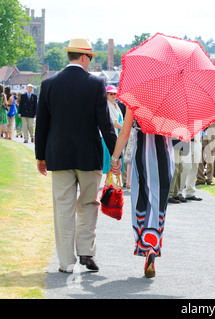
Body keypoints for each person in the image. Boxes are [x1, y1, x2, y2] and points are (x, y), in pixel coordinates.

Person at [35, 38, 118, 274]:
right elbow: (105, 125)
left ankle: (66, 262)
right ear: (84, 57)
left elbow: (42, 124)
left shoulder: (49, 84)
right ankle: (86, 252)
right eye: (90, 58)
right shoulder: (96, 84)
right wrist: (115, 155)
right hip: (88, 155)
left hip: (58, 155)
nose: (90, 63)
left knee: (63, 208)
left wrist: (40, 156)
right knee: (89, 204)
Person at [110, 109, 174, 279]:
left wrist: (115, 157)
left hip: (142, 155)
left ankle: (146, 246)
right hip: (165, 156)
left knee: (141, 200)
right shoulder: (171, 103)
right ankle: (152, 246)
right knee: (157, 203)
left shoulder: (137, 100)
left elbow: (124, 133)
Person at [102, 85, 124, 177]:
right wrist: (124, 129)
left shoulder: (116, 105)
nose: (113, 96)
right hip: (111, 135)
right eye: (111, 94)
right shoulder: (107, 105)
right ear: (106, 95)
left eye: (115, 94)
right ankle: (108, 182)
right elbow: (113, 122)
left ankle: (111, 181)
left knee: (117, 158)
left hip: (118, 134)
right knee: (110, 158)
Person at [196, 119, 215, 186]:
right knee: (199, 160)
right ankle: (200, 179)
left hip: (212, 139)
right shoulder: (199, 111)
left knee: (210, 161)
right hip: (200, 138)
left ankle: (209, 179)